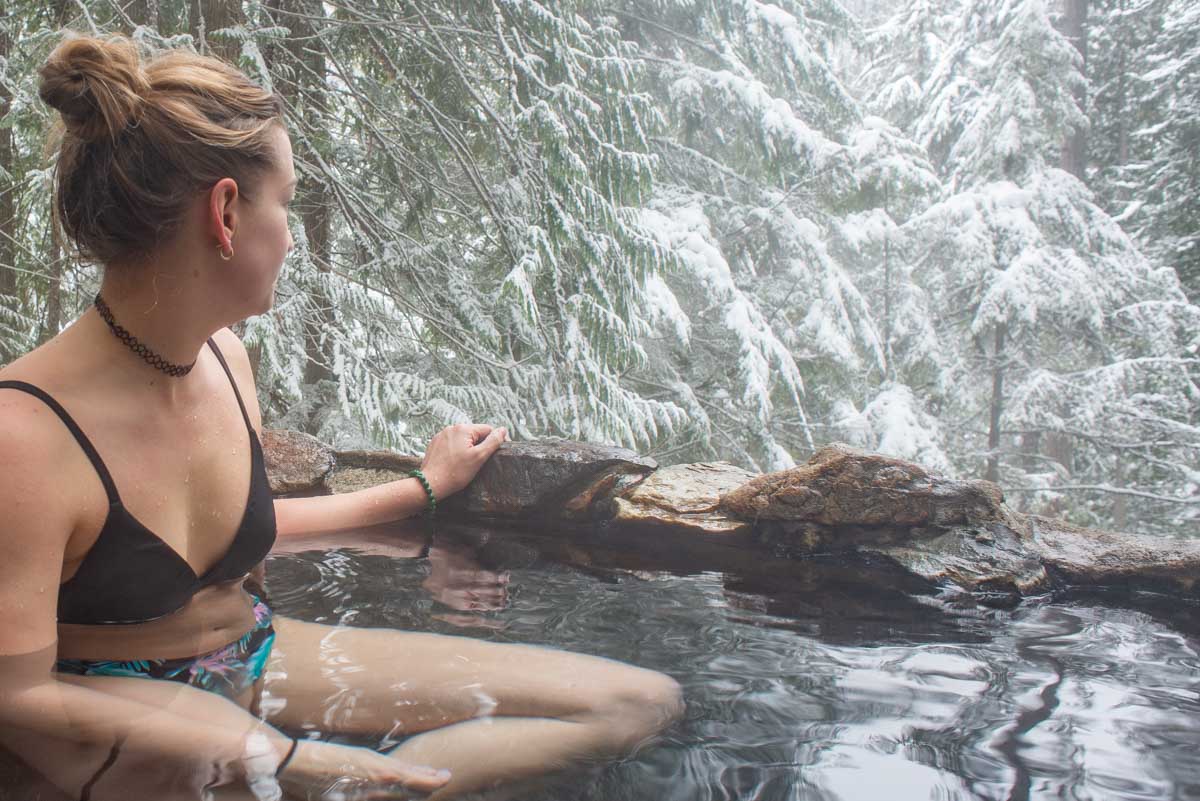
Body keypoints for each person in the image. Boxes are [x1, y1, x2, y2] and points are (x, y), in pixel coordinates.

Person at [0, 33, 683, 801]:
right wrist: (287, 759)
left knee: (637, 701)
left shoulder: (225, 360)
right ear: (225, 212)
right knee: (309, 775)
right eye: (285, 202)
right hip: (113, 722)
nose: (290, 235)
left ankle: (383, 789)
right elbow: (17, 697)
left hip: (254, 658)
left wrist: (420, 491)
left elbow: (225, 534)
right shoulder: (23, 436)